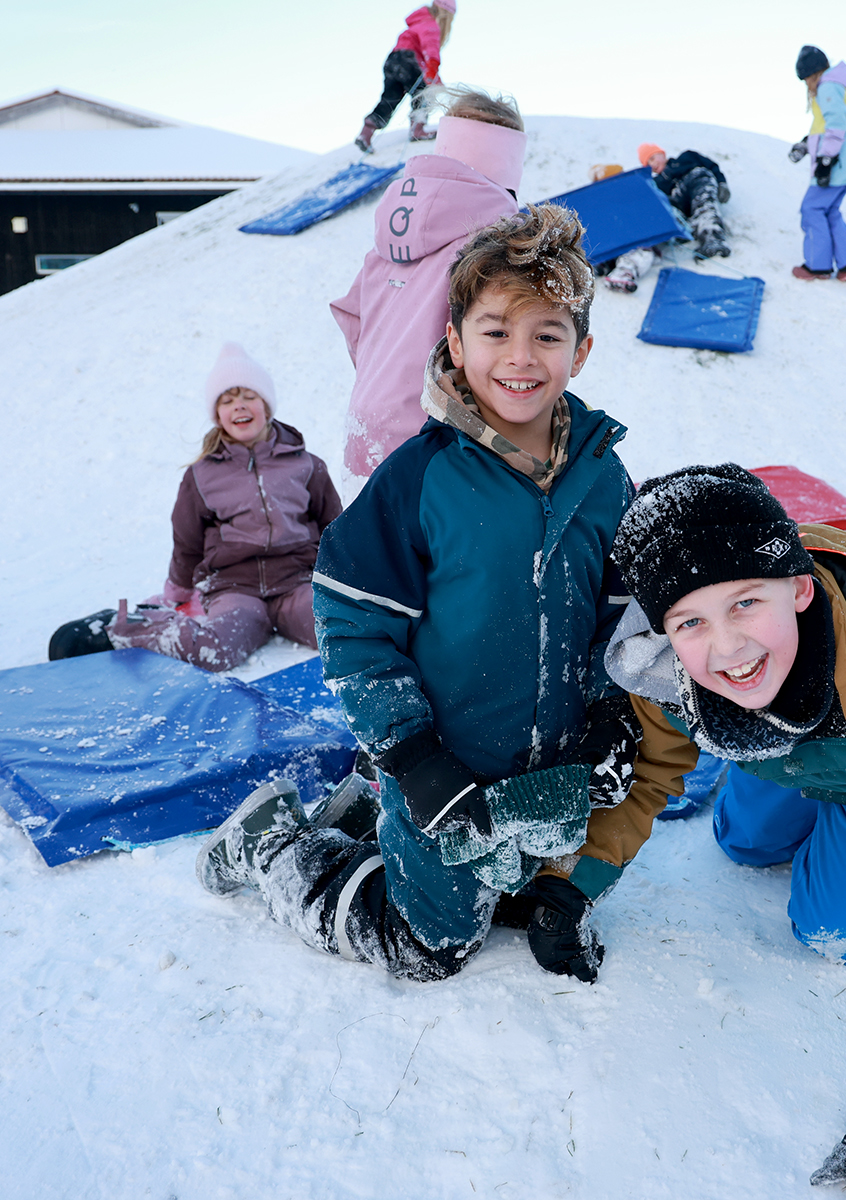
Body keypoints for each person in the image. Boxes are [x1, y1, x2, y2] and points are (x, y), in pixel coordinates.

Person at [198, 205, 638, 985]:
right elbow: (353, 623)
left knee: (511, 894)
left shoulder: (603, 477)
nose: (520, 356)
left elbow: (613, 617)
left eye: (547, 333)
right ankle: (275, 842)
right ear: (456, 341)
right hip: (442, 769)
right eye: (496, 330)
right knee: (428, 946)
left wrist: (608, 712)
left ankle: (359, 818)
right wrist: (410, 754)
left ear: (582, 349)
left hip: (544, 779)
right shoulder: (421, 476)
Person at [589, 465, 846, 1200]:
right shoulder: (673, 667)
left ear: (799, 589)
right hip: (794, 743)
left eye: (746, 603)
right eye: (690, 622)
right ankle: (785, 767)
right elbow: (649, 767)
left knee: (834, 929)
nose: (727, 646)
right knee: (741, 842)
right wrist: (572, 879)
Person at [90, 342, 342, 671]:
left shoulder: (306, 465)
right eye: (227, 400)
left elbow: (334, 528)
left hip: (296, 583)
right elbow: (187, 541)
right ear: (218, 414)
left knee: (340, 637)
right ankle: (131, 626)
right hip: (236, 589)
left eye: (248, 396)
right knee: (215, 652)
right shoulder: (202, 475)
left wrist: (344, 581)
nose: (239, 406)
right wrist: (177, 592)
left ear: (266, 404)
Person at [331, 87, 527, 481]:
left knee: (372, 539)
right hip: (435, 444)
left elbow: (352, 315)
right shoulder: (495, 242)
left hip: (367, 428)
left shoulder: (389, 235)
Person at [599, 143, 733, 293]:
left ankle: (712, 238)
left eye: (652, 158)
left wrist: (722, 183)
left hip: (695, 183)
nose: (652, 165)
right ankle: (611, 263)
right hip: (678, 213)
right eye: (647, 163)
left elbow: (711, 166)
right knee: (651, 209)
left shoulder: (686, 158)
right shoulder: (657, 183)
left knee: (701, 181)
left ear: (662, 154)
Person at [788, 45, 846, 282]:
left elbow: (836, 124)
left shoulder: (828, 86)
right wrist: (805, 144)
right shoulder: (836, 86)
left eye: (807, 80)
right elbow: (824, 126)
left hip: (837, 165)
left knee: (812, 209)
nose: (808, 87)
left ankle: (817, 265)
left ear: (815, 74)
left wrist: (826, 160)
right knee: (829, 210)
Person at [356, 1, 456, 152]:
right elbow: (430, 53)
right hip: (408, 59)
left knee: (391, 98)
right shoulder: (430, 25)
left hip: (392, 60)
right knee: (423, 93)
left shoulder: (416, 23)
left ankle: (366, 132)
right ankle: (418, 129)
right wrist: (433, 74)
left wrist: (435, 78)